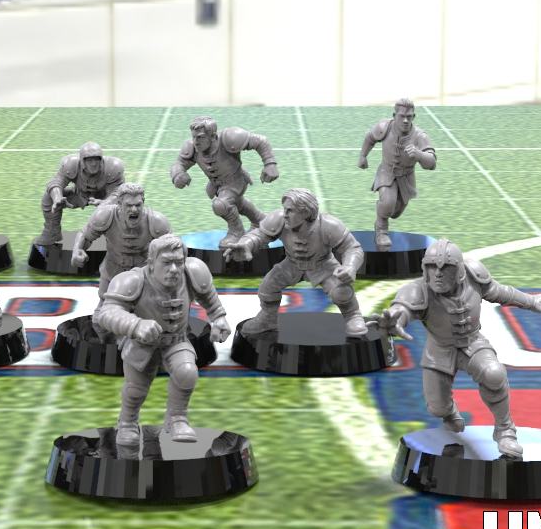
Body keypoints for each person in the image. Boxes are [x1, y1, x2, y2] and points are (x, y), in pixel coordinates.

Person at [374, 239, 541, 458]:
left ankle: (505, 430)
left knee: (494, 373)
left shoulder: (474, 275)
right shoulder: (418, 290)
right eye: (431, 267)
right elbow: (402, 309)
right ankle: (449, 413)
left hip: (473, 342)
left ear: (458, 270)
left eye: (445, 268)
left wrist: (532, 302)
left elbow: (499, 292)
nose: (438, 274)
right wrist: (395, 320)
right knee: (437, 408)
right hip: (439, 349)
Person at [94, 234, 231, 445]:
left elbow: (210, 298)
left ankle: (177, 418)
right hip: (141, 344)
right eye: (166, 262)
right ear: (151, 262)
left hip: (177, 340)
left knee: (187, 373)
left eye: (178, 262)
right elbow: (107, 313)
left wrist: (219, 318)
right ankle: (127, 422)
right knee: (136, 389)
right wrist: (135, 325)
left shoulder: (193, 272)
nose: (174, 269)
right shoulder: (132, 280)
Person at [224, 188, 367, 337]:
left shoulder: (329, 225)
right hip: (291, 265)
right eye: (284, 209)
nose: (285, 214)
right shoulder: (280, 219)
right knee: (268, 286)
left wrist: (350, 267)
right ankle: (268, 318)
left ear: (305, 212)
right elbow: (259, 235)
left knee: (341, 291)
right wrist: (246, 243)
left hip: (323, 265)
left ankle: (353, 316)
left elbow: (352, 248)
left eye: (290, 210)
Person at [170, 116, 278, 249]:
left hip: (235, 180)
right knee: (237, 203)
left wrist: (270, 163)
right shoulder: (192, 147)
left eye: (201, 137)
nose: (196, 141)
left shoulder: (229, 138)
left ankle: (236, 231)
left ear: (213, 136)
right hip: (218, 185)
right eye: (194, 137)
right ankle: (260, 220)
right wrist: (178, 174)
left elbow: (261, 141)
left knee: (221, 204)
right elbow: (179, 163)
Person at [358, 99, 437, 248]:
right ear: (395, 115)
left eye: (409, 116)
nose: (405, 120)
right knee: (387, 203)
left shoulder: (419, 136)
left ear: (414, 117)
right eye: (402, 116)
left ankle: (386, 214)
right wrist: (363, 156)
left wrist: (419, 154)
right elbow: (370, 137)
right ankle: (381, 231)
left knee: (395, 212)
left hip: (406, 178)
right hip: (386, 172)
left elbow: (431, 163)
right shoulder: (384, 127)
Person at [70, 183, 171, 297]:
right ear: (119, 204)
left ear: (143, 202)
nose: (134, 210)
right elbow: (85, 235)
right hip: (112, 272)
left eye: (138, 205)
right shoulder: (105, 216)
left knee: (147, 306)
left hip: (143, 274)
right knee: (104, 305)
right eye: (129, 205)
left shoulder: (156, 221)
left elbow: (173, 247)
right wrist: (77, 250)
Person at [34, 141, 126, 246]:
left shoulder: (113, 168)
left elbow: (118, 192)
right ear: (82, 160)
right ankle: (52, 232)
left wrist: (105, 203)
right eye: (89, 160)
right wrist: (57, 197)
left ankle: (117, 236)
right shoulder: (71, 165)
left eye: (96, 159)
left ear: (101, 159)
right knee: (48, 197)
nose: (93, 163)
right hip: (80, 195)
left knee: (124, 203)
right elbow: (56, 182)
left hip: (104, 197)